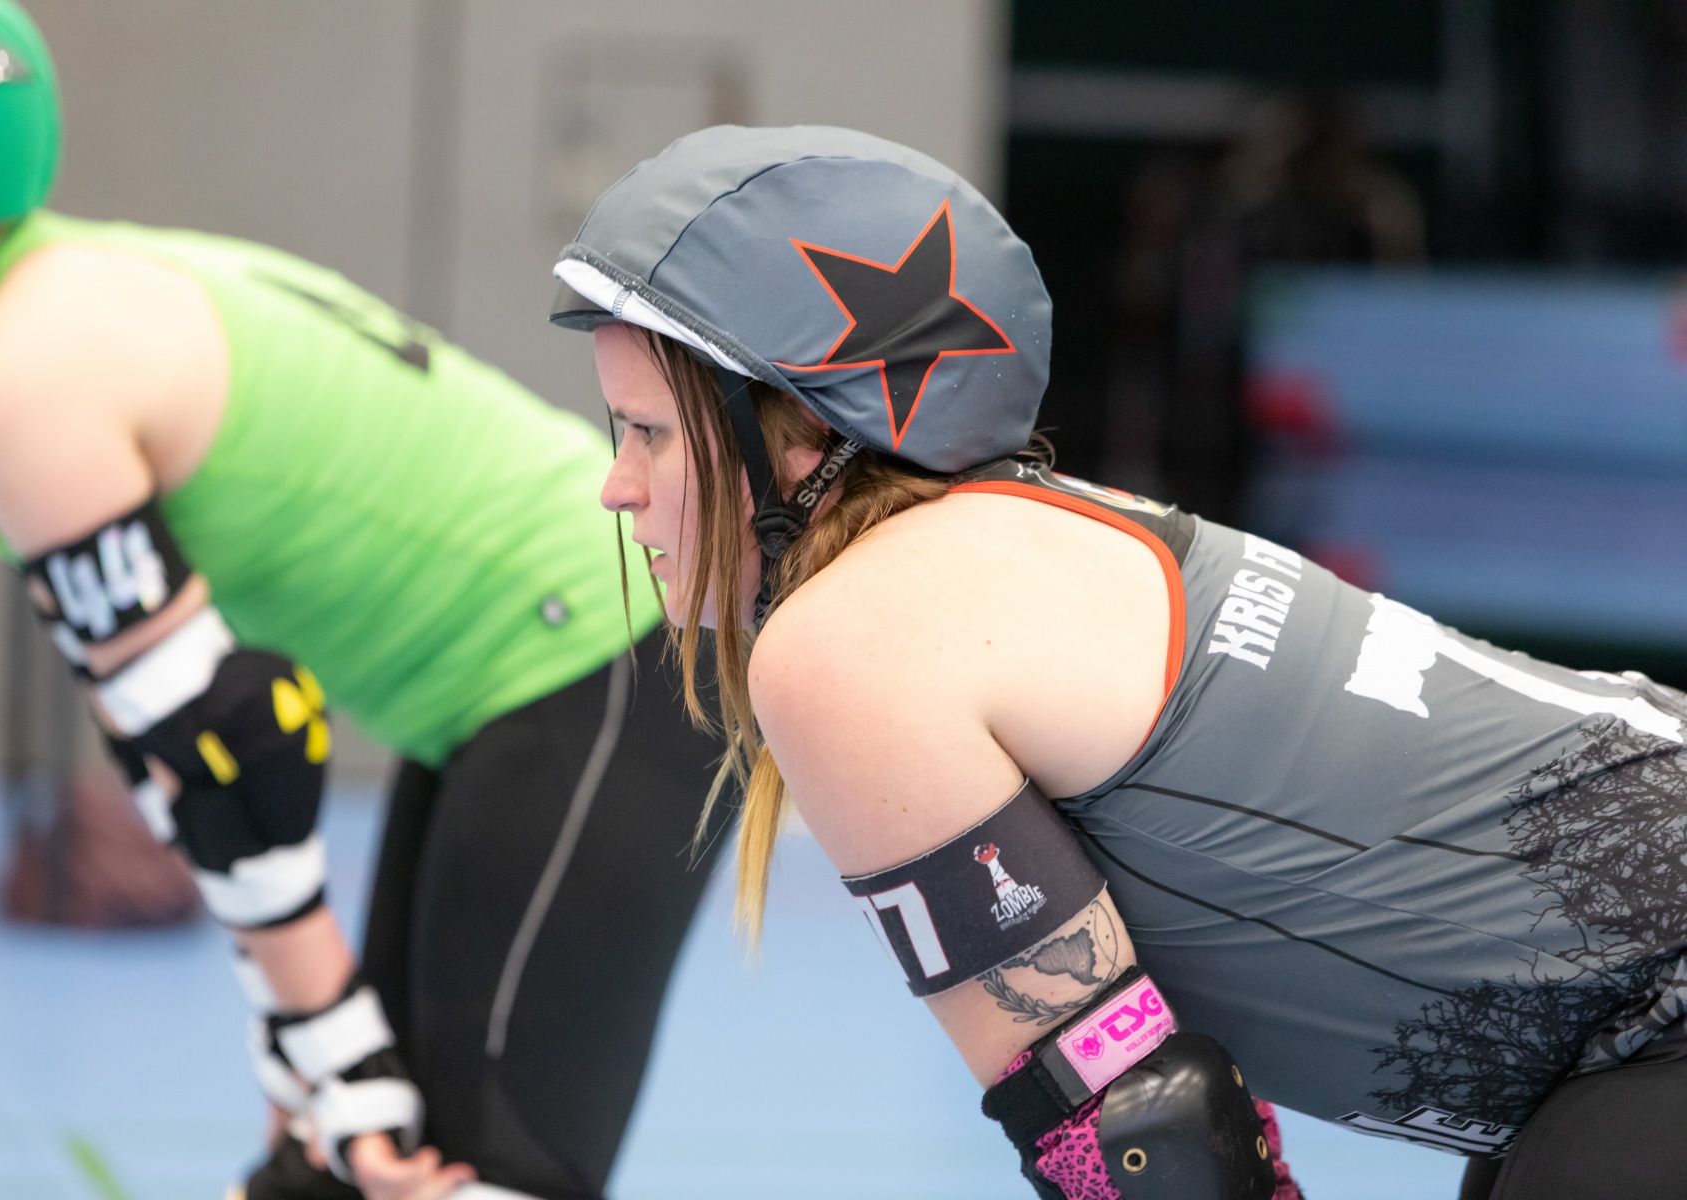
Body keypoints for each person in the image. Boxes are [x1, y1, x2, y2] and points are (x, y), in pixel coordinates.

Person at [549, 123, 1687, 1200]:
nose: (617, 486)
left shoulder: (851, 639)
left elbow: (1146, 1136)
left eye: (650, 432)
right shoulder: (1049, 528)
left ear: (803, 434)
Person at [0, 4, 727, 1198]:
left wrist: (329, 1049)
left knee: (475, 1173)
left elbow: (222, 748)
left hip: (603, 651)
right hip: (511, 668)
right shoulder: (17, 321)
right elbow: (175, 737)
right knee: (337, 1171)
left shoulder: (15, 373)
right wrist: (312, 1040)